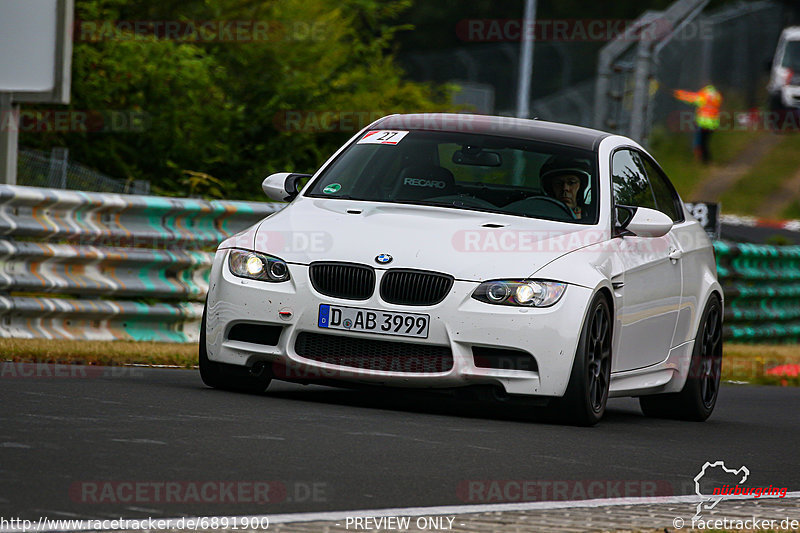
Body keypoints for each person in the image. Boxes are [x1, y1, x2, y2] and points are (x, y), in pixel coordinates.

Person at [674, 84, 722, 164]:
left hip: (703, 123)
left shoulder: (704, 95)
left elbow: (692, 98)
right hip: (713, 124)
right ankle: (706, 160)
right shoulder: (717, 96)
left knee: (699, 142)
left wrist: (680, 94)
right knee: (705, 142)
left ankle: (702, 161)